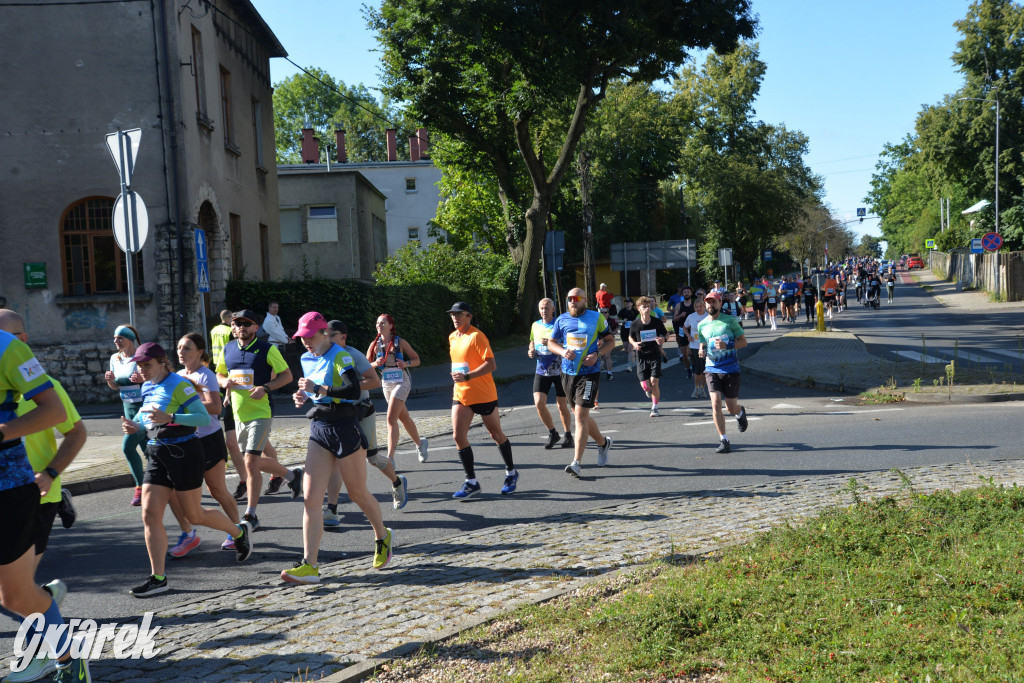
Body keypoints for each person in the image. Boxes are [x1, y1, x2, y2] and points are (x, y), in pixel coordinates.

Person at [121, 342, 253, 597]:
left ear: (162, 362)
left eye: (147, 365)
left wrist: (172, 418)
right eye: (140, 366)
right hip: (157, 453)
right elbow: (145, 416)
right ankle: (158, 577)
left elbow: (204, 418)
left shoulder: (179, 385)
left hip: (185, 454)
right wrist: (135, 425)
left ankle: (238, 531)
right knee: (149, 515)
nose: (143, 370)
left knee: (194, 515)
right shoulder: (147, 385)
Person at [0, 328, 92, 682]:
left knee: (14, 597)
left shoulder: (9, 349)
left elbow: (58, 415)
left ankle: (67, 654)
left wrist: (51, 471)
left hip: (10, 488)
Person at [282, 312, 393, 584]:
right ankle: (310, 565)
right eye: (302, 337)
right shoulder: (306, 358)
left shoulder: (340, 356)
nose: (306, 342)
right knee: (310, 498)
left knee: (357, 493)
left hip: (345, 427)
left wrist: (319, 388)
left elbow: (353, 390)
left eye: (310, 336)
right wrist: (302, 395)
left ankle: (382, 535)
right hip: (320, 427)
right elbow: (313, 393)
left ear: (323, 333)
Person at [216, 309, 300, 531]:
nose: (241, 327)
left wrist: (265, 388)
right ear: (232, 327)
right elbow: (220, 373)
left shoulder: (267, 349)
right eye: (237, 323)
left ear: (255, 327)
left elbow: (287, 376)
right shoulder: (228, 349)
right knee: (249, 461)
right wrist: (225, 383)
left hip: (261, 412)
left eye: (246, 323)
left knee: (251, 462)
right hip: (238, 412)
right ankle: (292, 475)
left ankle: (251, 514)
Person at [324, 319, 407, 525]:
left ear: (343, 337)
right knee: (336, 460)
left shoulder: (353, 355)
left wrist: (350, 387)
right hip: (337, 414)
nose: (326, 338)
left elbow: (375, 381)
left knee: (372, 458)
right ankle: (331, 510)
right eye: (325, 334)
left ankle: (397, 482)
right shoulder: (323, 356)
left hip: (361, 411)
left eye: (331, 335)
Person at [168, 333, 240, 556]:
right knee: (177, 491)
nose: (181, 351)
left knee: (217, 489)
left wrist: (188, 404)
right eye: (179, 347)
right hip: (187, 440)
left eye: (187, 348)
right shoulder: (178, 375)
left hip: (209, 439)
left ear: (200, 352)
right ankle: (188, 534)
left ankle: (237, 530)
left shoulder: (206, 375)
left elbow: (216, 408)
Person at [447, 302, 519, 498]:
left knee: (496, 434)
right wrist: (458, 376)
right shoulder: (453, 337)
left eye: (459, 314)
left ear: (469, 316)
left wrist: (468, 376)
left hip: (483, 393)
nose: (455, 317)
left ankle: (511, 473)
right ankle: (471, 482)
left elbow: (491, 364)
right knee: (458, 437)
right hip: (461, 394)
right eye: (452, 314)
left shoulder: (477, 336)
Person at [546, 288, 613, 477]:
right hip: (567, 372)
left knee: (581, 416)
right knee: (577, 414)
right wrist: (561, 352)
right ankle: (603, 443)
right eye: (569, 298)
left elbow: (610, 341)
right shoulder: (562, 319)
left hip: (590, 372)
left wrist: (597, 354)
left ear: (585, 300)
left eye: (576, 298)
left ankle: (576, 462)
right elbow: (551, 342)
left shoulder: (596, 318)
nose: (572, 302)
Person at [366, 314, 428, 465]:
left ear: (390, 326)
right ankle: (420, 444)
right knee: (403, 417)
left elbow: (416, 359)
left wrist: (405, 363)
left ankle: (390, 458)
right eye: (377, 323)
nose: (379, 326)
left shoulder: (400, 342)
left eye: (382, 323)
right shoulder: (374, 345)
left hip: (402, 381)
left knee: (390, 418)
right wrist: (376, 363)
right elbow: (366, 366)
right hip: (387, 383)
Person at [697, 292, 749, 454]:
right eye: (708, 302)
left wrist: (728, 345)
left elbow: (744, 342)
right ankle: (723, 440)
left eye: (713, 302)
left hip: (731, 369)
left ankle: (740, 412)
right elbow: (702, 343)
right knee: (715, 403)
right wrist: (701, 349)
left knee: (731, 408)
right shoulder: (702, 325)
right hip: (711, 368)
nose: (710, 305)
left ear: (720, 303)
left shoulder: (730, 321)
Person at [103, 324, 147, 506]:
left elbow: (153, 379)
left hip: (143, 407)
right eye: (114, 338)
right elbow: (115, 387)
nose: (115, 341)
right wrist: (110, 380)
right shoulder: (115, 358)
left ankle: (141, 488)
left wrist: (142, 379)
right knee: (148, 449)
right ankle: (163, 482)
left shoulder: (140, 356)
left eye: (119, 338)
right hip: (127, 408)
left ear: (129, 339)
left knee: (128, 447)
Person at [210, 310, 248, 501]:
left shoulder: (257, 348)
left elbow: (272, 375)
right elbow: (226, 374)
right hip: (232, 400)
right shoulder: (228, 348)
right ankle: (245, 480)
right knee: (232, 443)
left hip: (255, 403)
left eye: (238, 324)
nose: (235, 328)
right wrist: (226, 388)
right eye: (233, 324)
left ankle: (284, 474)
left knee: (257, 448)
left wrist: (264, 388)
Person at [528, 298, 574, 449]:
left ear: (553, 309)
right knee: (539, 403)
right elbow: (532, 341)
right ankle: (553, 433)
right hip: (541, 369)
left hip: (560, 369)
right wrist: (531, 350)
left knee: (561, 405)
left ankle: (568, 435)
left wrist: (552, 343)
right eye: (541, 308)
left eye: (547, 308)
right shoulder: (535, 325)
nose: (543, 311)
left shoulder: (559, 324)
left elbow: (569, 343)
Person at [628, 296, 668, 417]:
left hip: (655, 354)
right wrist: (635, 344)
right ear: (639, 309)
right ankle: (648, 390)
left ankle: (654, 408)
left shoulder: (656, 322)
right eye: (644, 307)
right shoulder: (635, 324)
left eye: (649, 306)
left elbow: (666, 334)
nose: (647, 308)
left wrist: (663, 340)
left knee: (654, 382)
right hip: (641, 356)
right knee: (646, 386)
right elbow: (630, 337)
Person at [683, 297, 709, 398]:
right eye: (697, 307)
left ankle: (702, 388)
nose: (699, 308)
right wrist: (688, 336)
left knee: (705, 369)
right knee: (698, 368)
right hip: (695, 346)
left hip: (707, 346)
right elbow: (684, 327)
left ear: (704, 307)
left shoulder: (708, 317)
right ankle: (696, 388)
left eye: (701, 306)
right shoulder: (691, 317)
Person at [594, 284, 615, 380]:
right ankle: (597, 371)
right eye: (601, 313)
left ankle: (609, 373)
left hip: (608, 340)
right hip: (599, 340)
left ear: (608, 313)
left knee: (607, 356)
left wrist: (611, 332)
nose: (603, 314)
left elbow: (615, 331)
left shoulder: (611, 321)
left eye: (605, 313)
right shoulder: (597, 321)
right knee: (598, 356)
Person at [672, 286, 696, 368]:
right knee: (684, 353)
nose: (686, 293)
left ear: (691, 293)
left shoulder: (694, 305)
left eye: (688, 292)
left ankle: (693, 366)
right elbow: (674, 319)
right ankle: (688, 368)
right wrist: (680, 316)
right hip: (682, 330)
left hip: (692, 330)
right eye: (685, 292)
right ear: (682, 294)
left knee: (691, 352)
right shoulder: (679, 305)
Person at [617, 298, 639, 370]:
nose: (627, 303)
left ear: (632, 304)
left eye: (629, 302)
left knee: (630, 348)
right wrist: (622, 320)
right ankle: (632, 355)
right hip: (624, 331)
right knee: (626, 348)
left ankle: (629, 365)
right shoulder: (622, 311)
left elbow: (640, 319)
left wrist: (635, 322)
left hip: (632, 331)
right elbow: (616, 320)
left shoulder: (635, 311)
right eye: (626, 302)